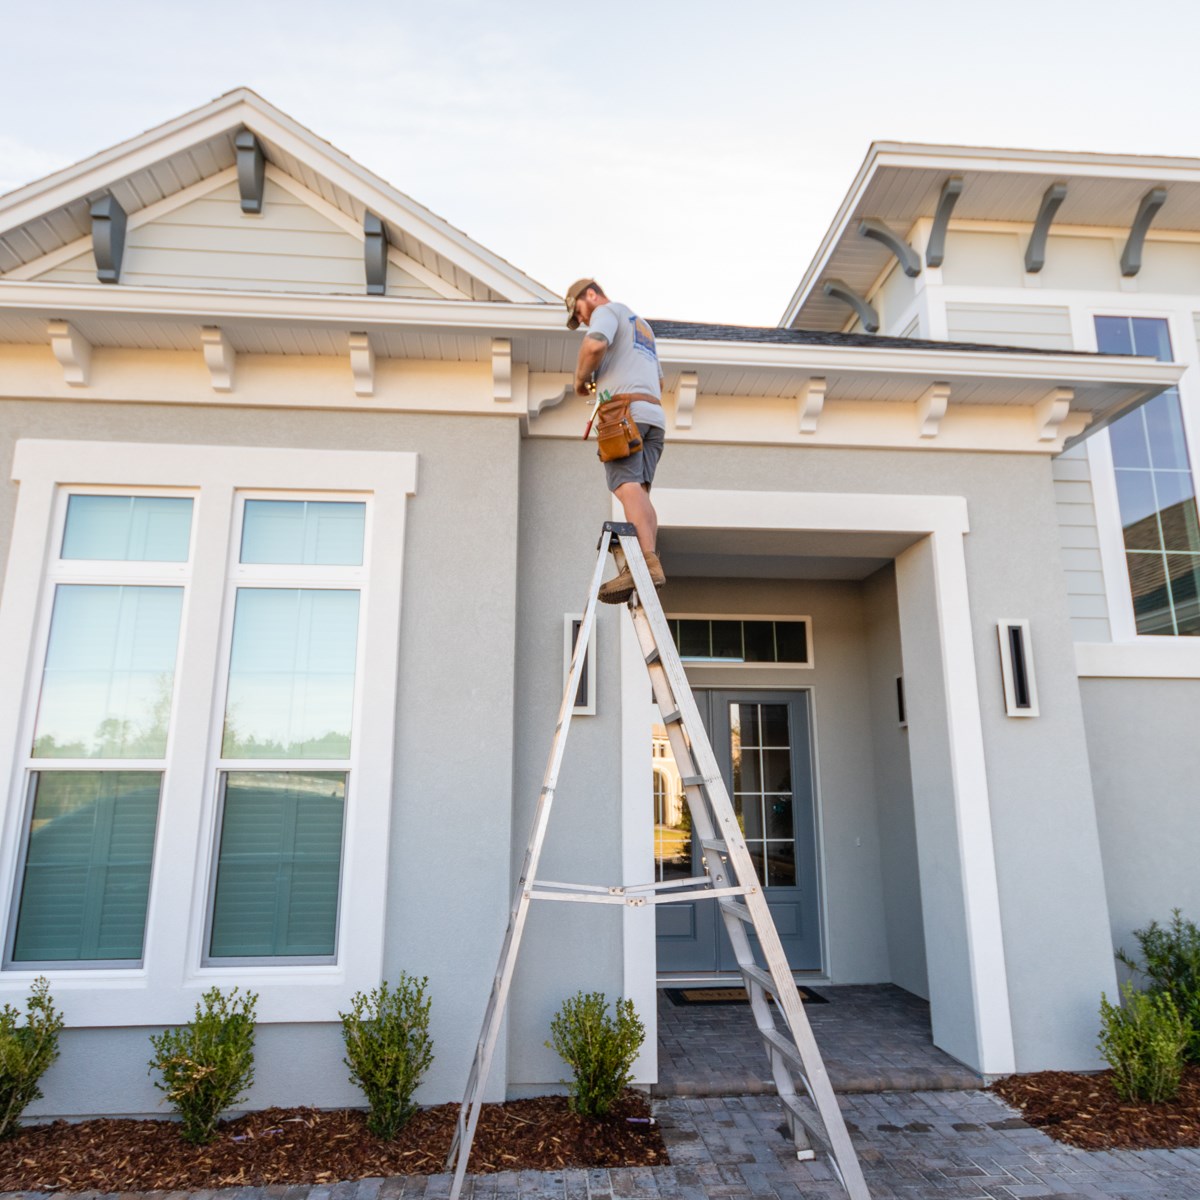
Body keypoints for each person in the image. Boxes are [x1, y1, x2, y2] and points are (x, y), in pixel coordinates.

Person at [565, 278, 667, 604]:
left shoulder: (607, 311)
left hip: (626, 415)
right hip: (653, 416)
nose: (581, 319)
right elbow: (659, 380)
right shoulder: (643, 328)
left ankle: (646, 565)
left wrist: (580, 380)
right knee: (639, 492)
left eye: (578, 311)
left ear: (590, 295)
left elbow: (594, 345)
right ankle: (645, 561)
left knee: (625, 487)